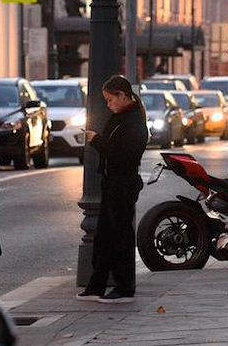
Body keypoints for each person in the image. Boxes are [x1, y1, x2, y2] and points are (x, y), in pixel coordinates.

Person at [78, 75, 150, 304]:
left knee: (120, 236)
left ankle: (124, 287)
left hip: (122, 182)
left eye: (110, 100)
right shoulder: (121, 117)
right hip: (112, 181)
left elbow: (123, 155)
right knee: (105, 236)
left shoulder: (133, 121)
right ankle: (96, 285)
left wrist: (97, 141)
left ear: (122, 95)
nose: (108, 105)